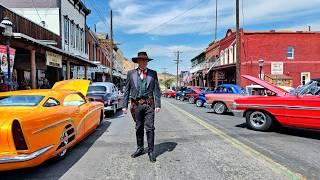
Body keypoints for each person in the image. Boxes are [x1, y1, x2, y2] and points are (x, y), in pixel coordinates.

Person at [122, 52, 161, 163]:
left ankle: (151, 151)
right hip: (136, 105)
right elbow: (127, 90)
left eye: (145, 60)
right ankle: (140, 148)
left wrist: (158, 104)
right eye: (141, 60)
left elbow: (157, 90)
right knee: (138, 127)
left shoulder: (153, 73)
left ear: (147, 61)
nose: (143, 62)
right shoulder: (130, 73)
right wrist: (124, 105)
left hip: (149, 104)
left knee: (150, 128)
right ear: (137, 62)